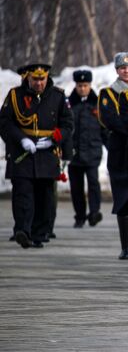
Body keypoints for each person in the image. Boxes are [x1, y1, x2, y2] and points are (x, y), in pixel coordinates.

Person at [0, 63, 73, 248]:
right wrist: (21, 139)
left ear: (47, 77)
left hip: (47, 153)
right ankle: (23, 231)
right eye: (35, 79)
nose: (39, 83)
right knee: (23, 195)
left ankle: (39, 234)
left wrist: (54, 139)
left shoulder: (57, 96)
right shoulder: (15, 96)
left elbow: (67, 124)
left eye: (42, 79)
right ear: (28, 78)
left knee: (45, 196)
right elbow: (5, 122)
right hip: (22, 153)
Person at [98, 52, 128, 260]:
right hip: (119, 151)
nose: (126, 71)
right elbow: (109, 119)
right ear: (117, 70)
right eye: (123, 68)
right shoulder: (108, 93)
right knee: (122, 199)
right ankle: (126, 246)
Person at [68, 70, 107, 228]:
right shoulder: (68, 104)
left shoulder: (97, 103)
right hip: (74, 153)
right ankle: (80, 216)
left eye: (85, 85)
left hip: (92, 152)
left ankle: (94, 213)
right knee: (76, 187)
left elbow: (104, 129)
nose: (82, 88)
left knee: (93, 184)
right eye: (79, 85)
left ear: (90, 85)